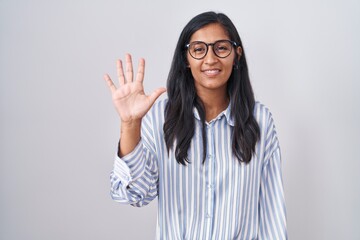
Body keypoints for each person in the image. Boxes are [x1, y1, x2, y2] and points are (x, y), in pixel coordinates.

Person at [104, 11, 287, 240]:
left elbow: (272, 214)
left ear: (236, 55)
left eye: (221, 48)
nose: (210, 59)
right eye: (199, 49)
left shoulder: (259, 120)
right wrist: (130, 124)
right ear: (186, 59)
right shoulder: (161, 119)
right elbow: (133, 194)